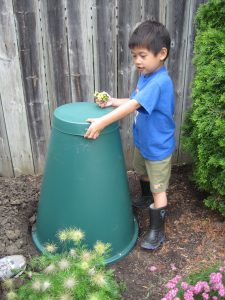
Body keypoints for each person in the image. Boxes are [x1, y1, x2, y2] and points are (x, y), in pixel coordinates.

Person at [84, 20, 175, 250]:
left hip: (158, 147)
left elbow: (134, 105)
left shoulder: (160, 82)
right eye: (134, 56)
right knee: (142, 172)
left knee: (159, 189)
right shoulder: (146, 77)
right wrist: (114, 101)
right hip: (145, 143)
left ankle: (157, 231)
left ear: (161, 53)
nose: (137, 61)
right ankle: (145, 198)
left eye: (142, 55)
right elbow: (136, 101)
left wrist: (103, 121)